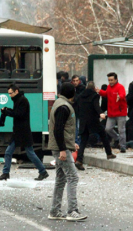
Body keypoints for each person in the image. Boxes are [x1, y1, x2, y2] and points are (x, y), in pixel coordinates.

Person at [48, 82, 87, 221]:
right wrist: (63, 150)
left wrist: (71, 144)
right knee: (73, 177)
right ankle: (72, 211)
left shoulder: (59, 103)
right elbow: (58, 130)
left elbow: (62, 130)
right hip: (60, 149)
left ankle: (55, 211)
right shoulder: (64, 107)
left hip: (59, 147)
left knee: (61, 179)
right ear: (72, 93)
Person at [0, 84, 49, 181]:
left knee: (29, 153)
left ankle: (43, 171)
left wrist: (7, 112)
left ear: (16, 91)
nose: (9, 96)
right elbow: (17, 112)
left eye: (10, 93)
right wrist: (7, 110)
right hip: (19, 132)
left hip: (23, 132)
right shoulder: (19, 100)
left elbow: (19, 114)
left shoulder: (22, 100)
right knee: (9, 152)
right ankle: (6, 173)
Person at [74, 81, 116, 170]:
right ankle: (109, 153)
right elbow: (96, 106)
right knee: (103, 135)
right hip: (93, 120)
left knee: (83, 141)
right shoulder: (95, 95)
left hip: (83, 121)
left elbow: (76, 107)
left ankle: (79, 160)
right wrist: (101, 113)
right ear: (94, 88)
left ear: (86, 88)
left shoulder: (80, 96)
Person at [97, 72, 128, 153]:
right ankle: (117, 138)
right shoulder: (109, 87)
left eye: (111, 80)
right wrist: (99, 91)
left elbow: (122, 94)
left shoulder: (120, 87)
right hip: (111, 112)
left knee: (122, 130)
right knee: (108, 129)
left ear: (116, 79)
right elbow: (106, 94)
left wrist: (119, 97)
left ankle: (123, 146)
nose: (110, 82)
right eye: (109, 80)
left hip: (120, 112)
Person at [71, 75, 85, 145]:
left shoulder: (82, 88)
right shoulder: (71, 88)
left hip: (80, 110)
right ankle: (76, 141)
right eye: (74, 81)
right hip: (74, 109)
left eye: (76, 81)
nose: (75, 82)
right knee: (75, 126)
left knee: (78, 126)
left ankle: (78, 142)